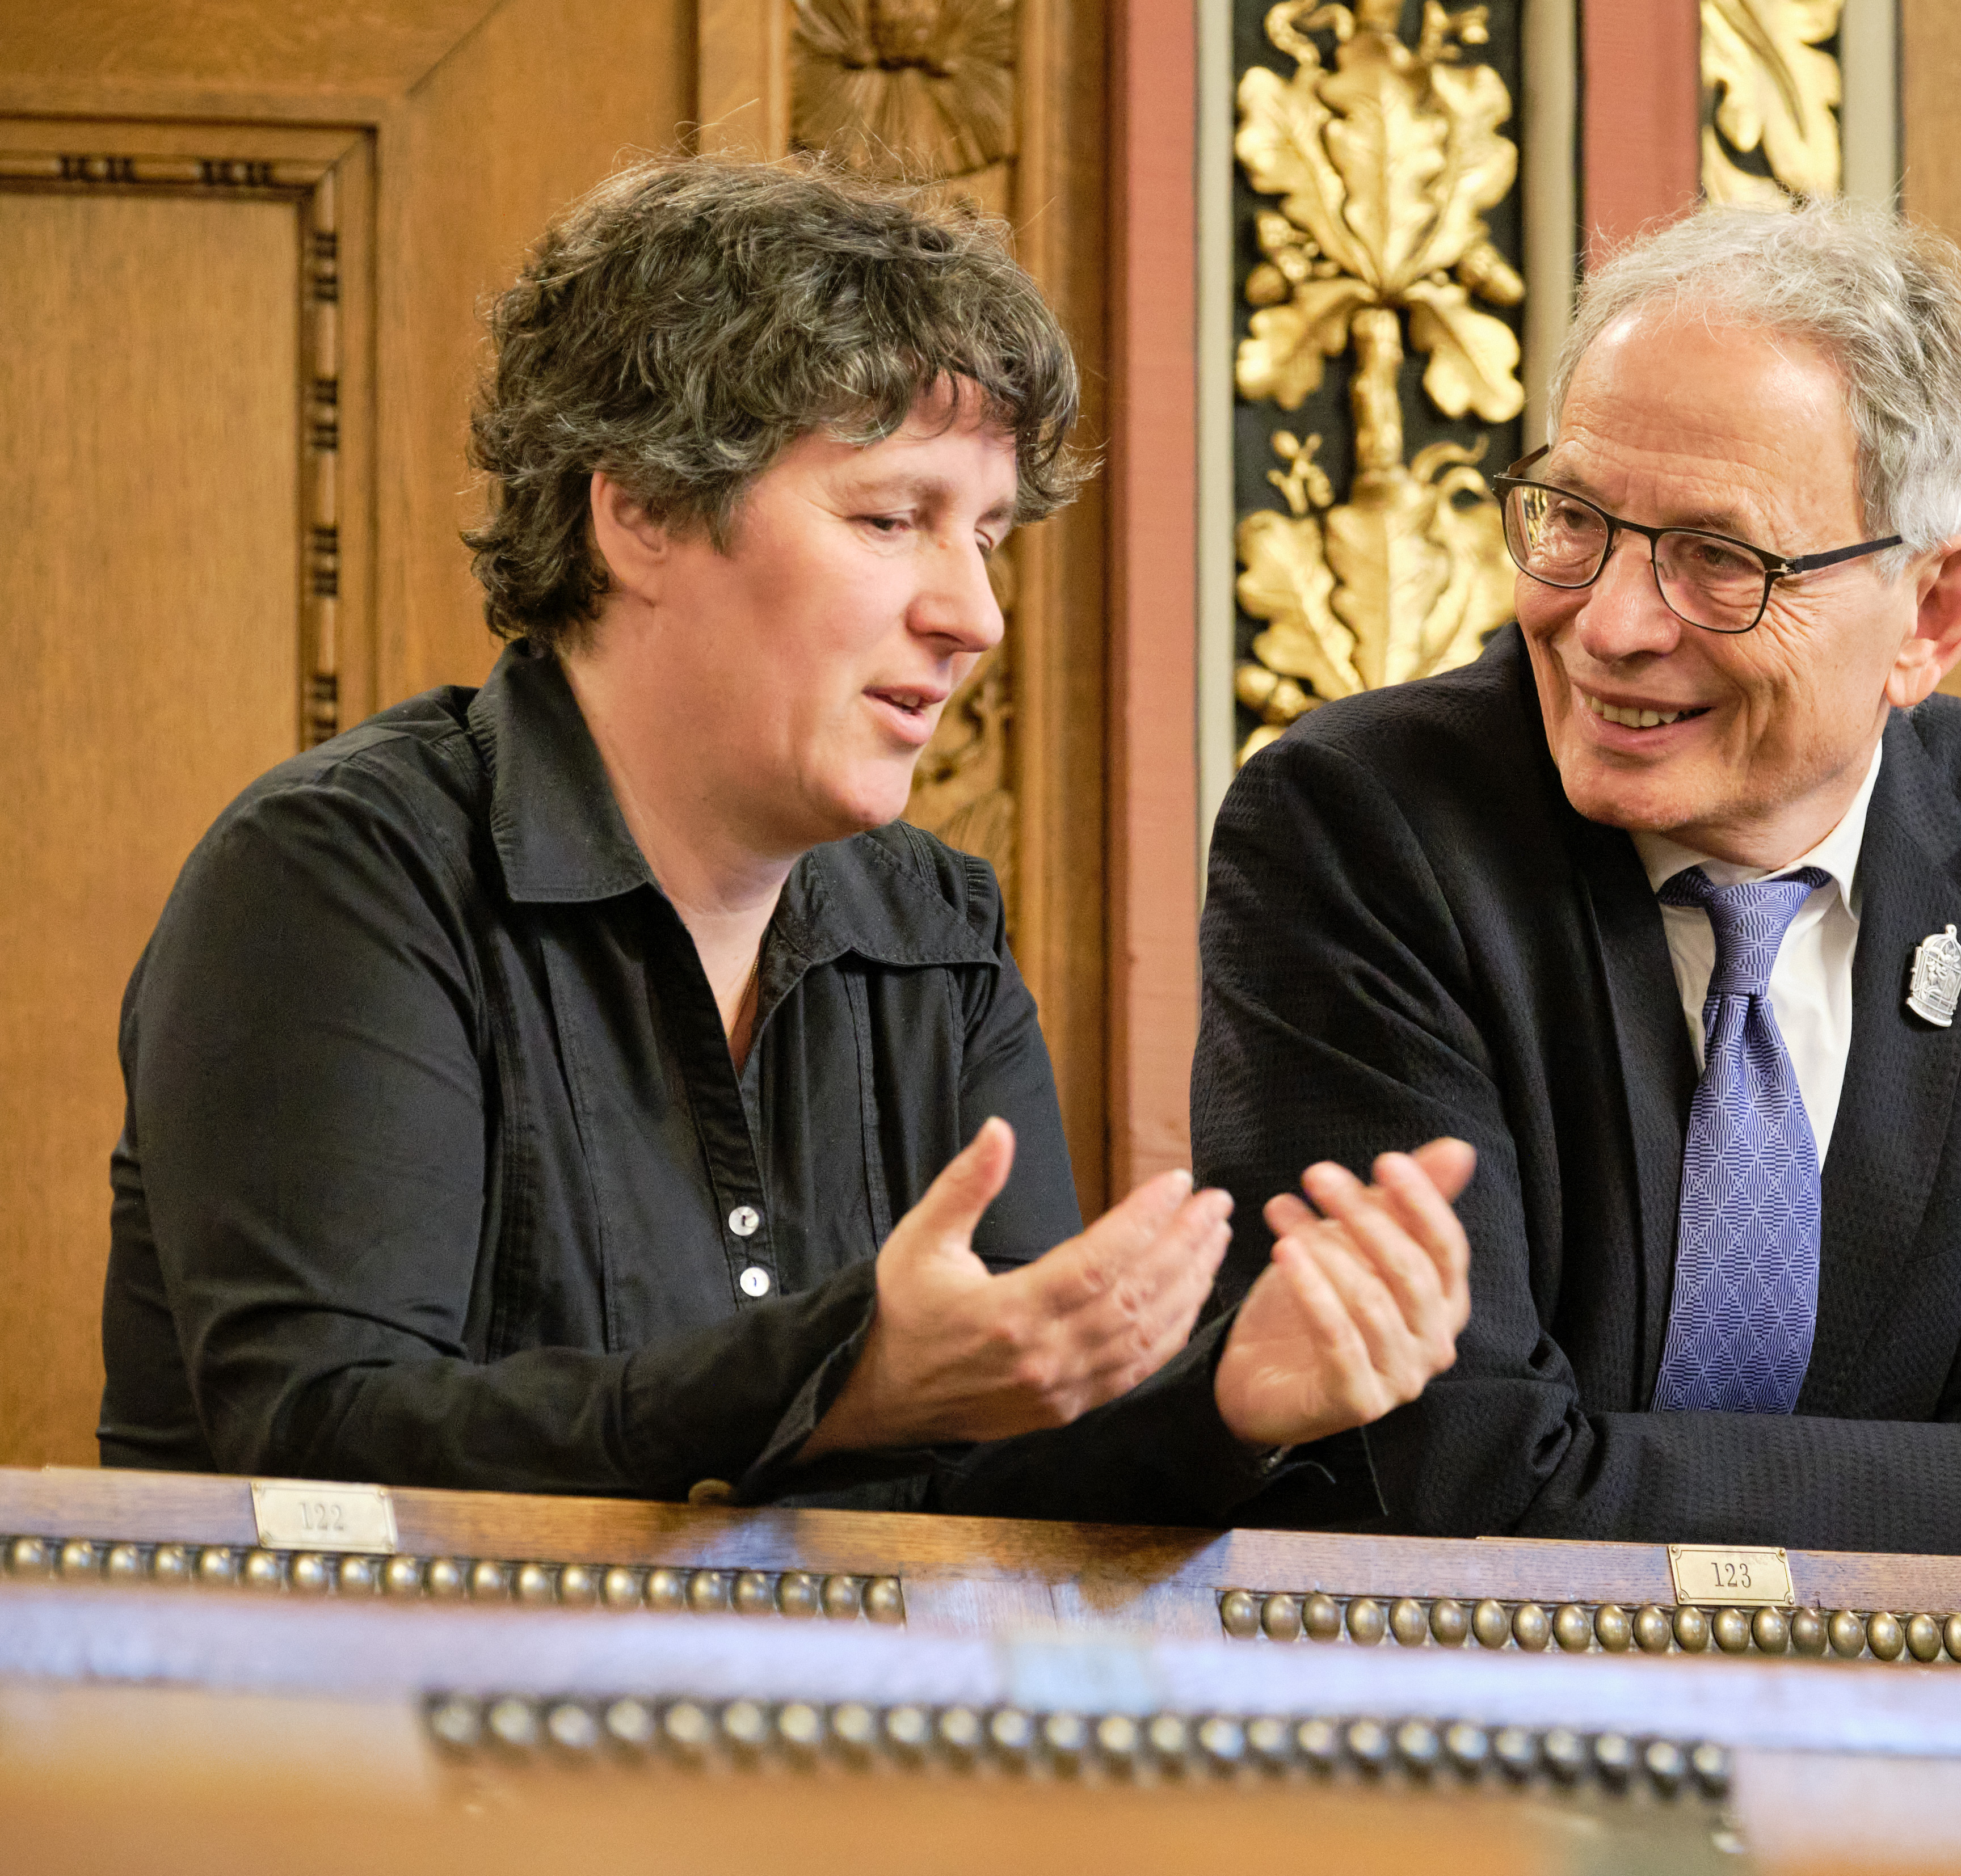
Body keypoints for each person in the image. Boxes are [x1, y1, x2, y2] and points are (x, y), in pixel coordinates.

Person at [98, 155, 1472, 1521]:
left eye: (988, 538)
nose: (975, 616)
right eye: (893, 519)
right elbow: (324, 1439)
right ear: (640, 509)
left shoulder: (934, 930)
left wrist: (1226, 1400)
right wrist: (841, 1379)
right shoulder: (341, 873)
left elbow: (1005, 1478)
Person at [1191, 200, 1961, 1561]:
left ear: (1933, 611)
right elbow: (1463, 1467)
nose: (1609, 624)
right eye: (1575, 519)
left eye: (1720, 560)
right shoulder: (1364, 826)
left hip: (1908, 1700)